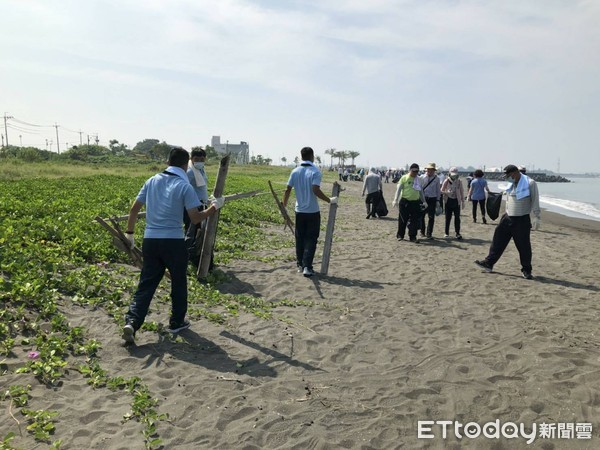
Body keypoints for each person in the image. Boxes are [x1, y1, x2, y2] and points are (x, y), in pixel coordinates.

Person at [122, 147, 224, 344]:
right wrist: (214, 206)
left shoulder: (151, 181)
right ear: (186, 164)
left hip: (150, 240)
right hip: (173, 241)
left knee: (146, 283)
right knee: (178, 281)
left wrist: (130, 233)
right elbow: (195, 218)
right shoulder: (184, 186)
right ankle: (176, 322)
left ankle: (132, 322)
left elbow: (134, 209)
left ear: (168, 161)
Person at [475, 164, 541, 279]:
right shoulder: (511, 184)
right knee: (498, 241)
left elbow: (535, 199)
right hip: (508, 217)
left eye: (508, 175)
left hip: (522, 219)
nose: (507, 178)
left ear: (515, 173)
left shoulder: (530, 183)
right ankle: (489, 263)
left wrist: (537, 216)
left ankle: (526, 270)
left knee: (523, 246)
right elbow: (509, 199)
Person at [283, 147, 337, 277]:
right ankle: (307, 266)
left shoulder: (295, 171)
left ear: (301, 156)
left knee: (300, 237)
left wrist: (284, 206)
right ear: (312, 156)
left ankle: (300, 265)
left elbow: (287, 189)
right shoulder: (315, 171)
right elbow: (315, 189)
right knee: (311, 238)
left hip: (299, 211)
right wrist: (329, 200)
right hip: (312, 211)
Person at [184, 148, 209, 265]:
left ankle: (196, 255)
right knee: (192, 232)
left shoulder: (202, 170)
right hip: (193, 206)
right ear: (191, 159)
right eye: (196, 159)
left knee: (201, 230)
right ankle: (190, 257)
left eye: (202, 159)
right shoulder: (189, 172)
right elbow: (184, 188)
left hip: (202, 204)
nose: (199, 161)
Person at [392, 163, 427, 243]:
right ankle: (400, 235)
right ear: (410, 170)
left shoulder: (419, 179)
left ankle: (413, 237)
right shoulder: (404, 178)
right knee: (402, 220)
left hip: (415, 202)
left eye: (417, 171)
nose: (415, 173)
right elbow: (399, 189)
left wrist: (424, 201)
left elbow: (421, 191)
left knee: (414, 220)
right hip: (405, 202)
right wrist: (395, 200)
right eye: (413, 171)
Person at [441, 167, 465, 239]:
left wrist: (463, 202)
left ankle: (457, 233)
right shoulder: (446, 181)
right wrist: (447, 192)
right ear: (449, 174)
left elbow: (461, 191)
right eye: (452, 175)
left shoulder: (459, 181)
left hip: (456, 201)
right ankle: (446, 233)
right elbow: (441, 190)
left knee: (457, 218)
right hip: (448, 201)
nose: (454, 176)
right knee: (448, 218)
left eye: (455, 175)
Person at [419, 162, 441, 239]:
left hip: (432, 199)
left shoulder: (437, 179)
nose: (429, 171)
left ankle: (429, 233)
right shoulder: (421, 177)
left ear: (434, 170)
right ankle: (422, 232)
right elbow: (419, 189)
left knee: (431, 217)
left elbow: (438, 190)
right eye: (428, 169)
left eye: (431, 170)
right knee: (422, 216)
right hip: (423, 198)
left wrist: (438, 200)